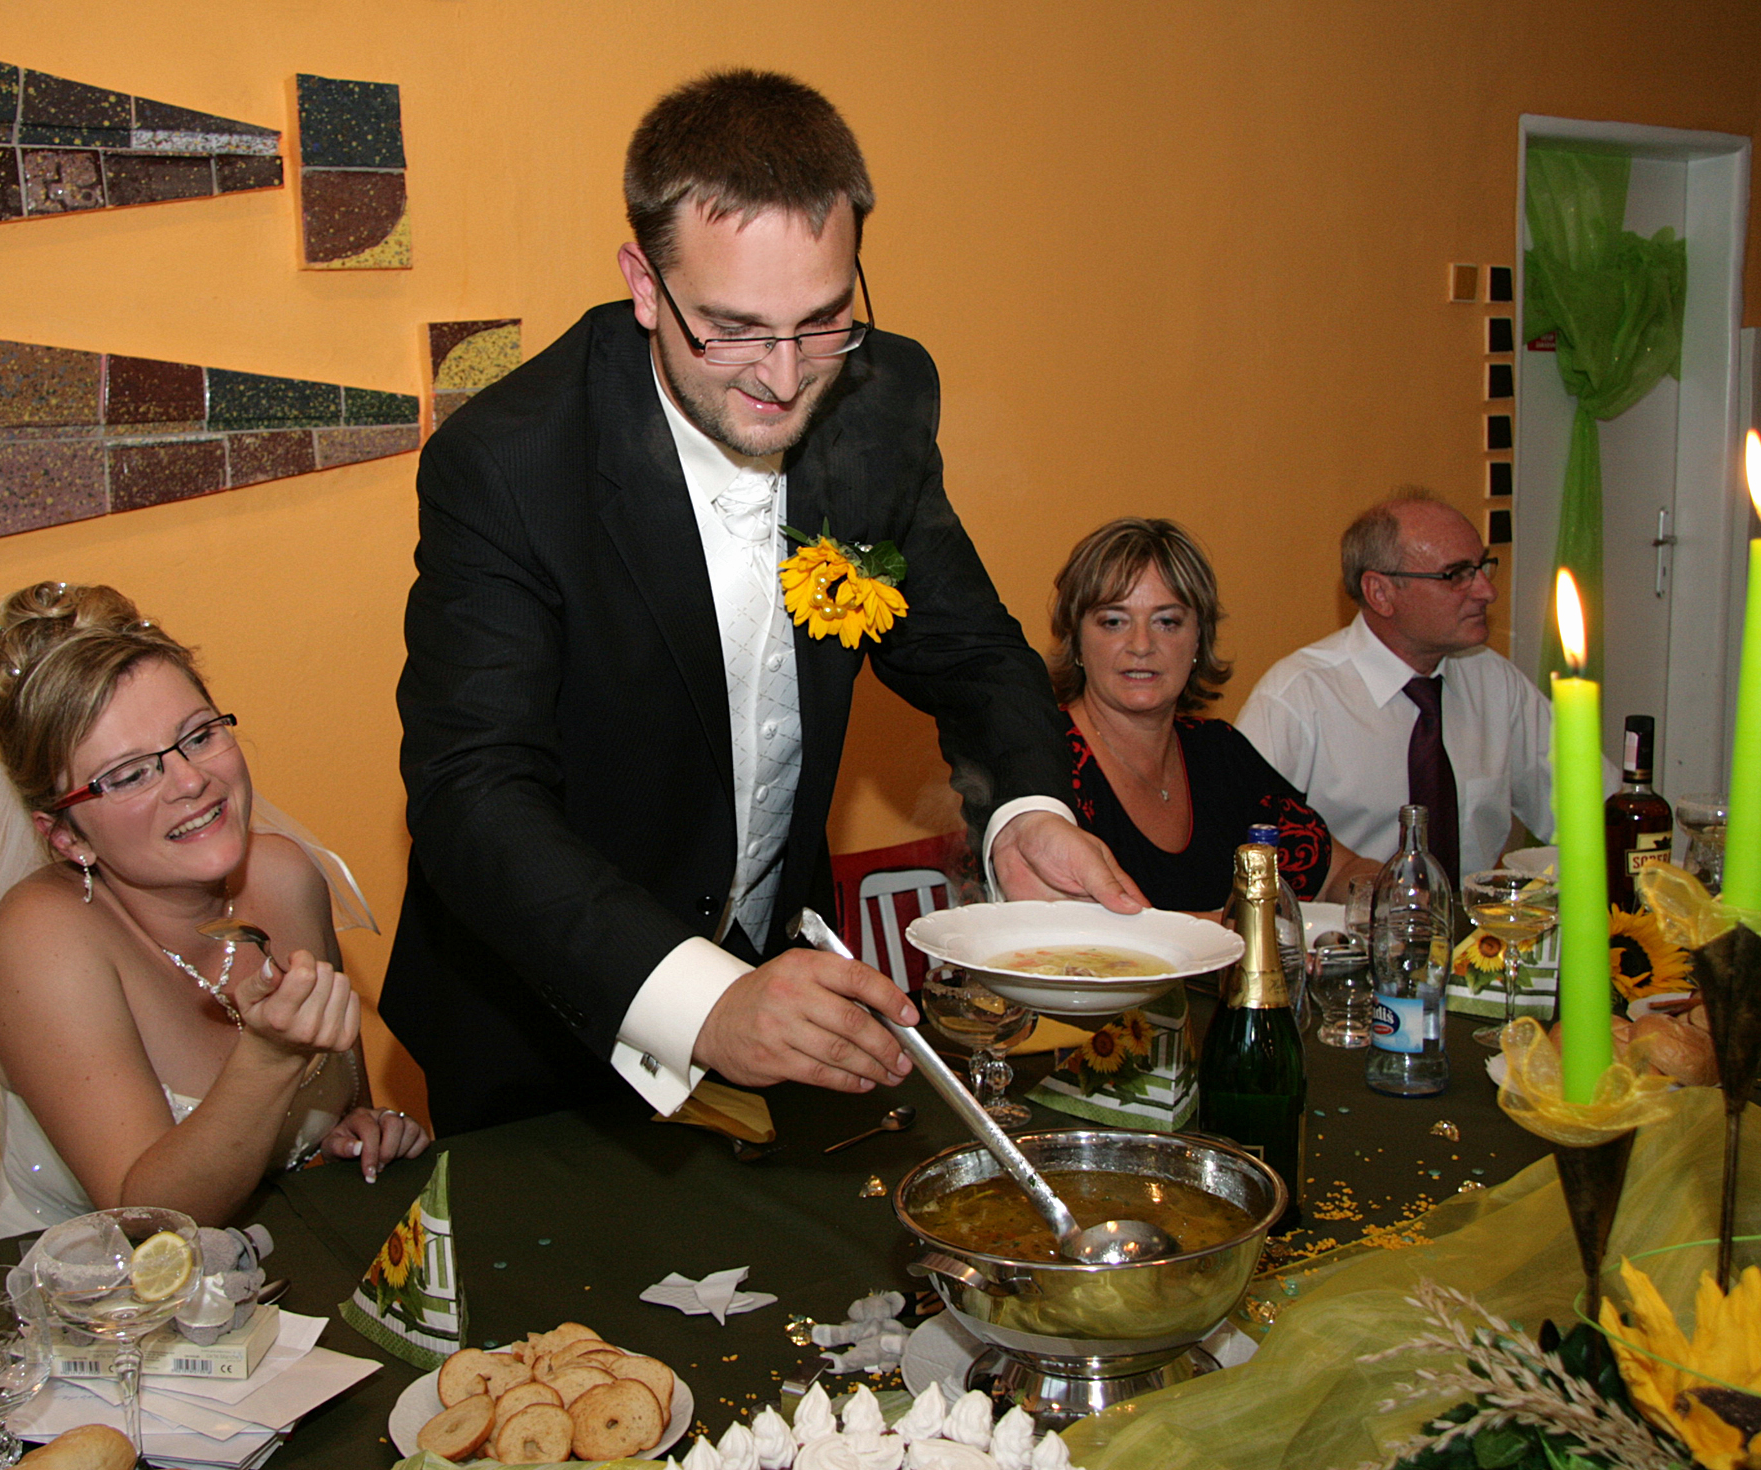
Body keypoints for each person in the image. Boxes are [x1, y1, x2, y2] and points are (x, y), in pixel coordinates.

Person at [385, 69, 1143, 1136]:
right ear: (644, 285)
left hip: (781, 991)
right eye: (732, 330)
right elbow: (472, 793)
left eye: (822, 321)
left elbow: (972, 649)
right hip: (551, 1022)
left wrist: (1025, 811)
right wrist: (701, 999)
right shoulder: (508, 463)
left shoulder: (875, 400)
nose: (784, 380)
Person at [0, 584, 428, 1269]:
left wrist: (359, 1133)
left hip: (272, 1277)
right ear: (65, 837)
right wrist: (267, 1059)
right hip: (86, 1301)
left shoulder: (288, 877)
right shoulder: (43, 941)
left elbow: (335, 1114)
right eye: (128, 775)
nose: (189, 780)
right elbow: (146, 1220)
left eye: (199, 736)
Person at [1236, 490, 1594, 883]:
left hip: (1471, 920)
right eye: (1457, 575)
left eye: (1482, 567)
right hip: (1344, 917)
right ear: (1380, 593)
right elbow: (1241, 847)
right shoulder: (1297, 698)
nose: (1487, 592)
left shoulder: (1494, 682)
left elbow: (1589, 812)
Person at [1049, 518, 1375, 913]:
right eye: (1114, 621)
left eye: (1166, 622)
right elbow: (1075, 927)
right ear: (1076, 639)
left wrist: (1392, 890)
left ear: (1198, 640)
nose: (1142, 645)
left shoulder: (1220, 752)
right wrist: (1235, 928)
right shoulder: (1041, 760)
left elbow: (1339, 873)